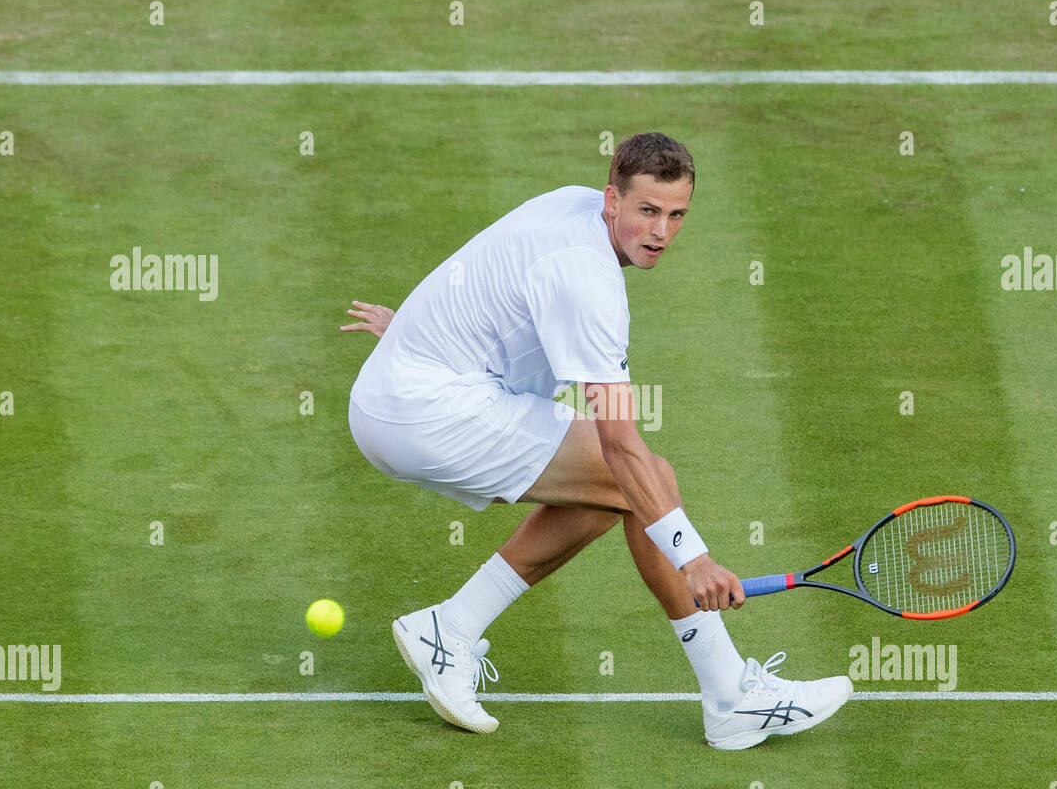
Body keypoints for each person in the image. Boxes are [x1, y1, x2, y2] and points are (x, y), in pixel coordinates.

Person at [342, 132, 851, 750]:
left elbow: (483, 275)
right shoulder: (587, 283)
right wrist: (694, 561)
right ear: (613, 199)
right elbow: (621, 447)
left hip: (408, 388)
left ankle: (451, 627)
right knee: (638, 480)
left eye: (676, 214)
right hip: (424, 411)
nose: (661, 231)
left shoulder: (570, 204)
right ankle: (730, 695)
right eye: (647, 211)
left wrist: (417, 335)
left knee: (617, 493)